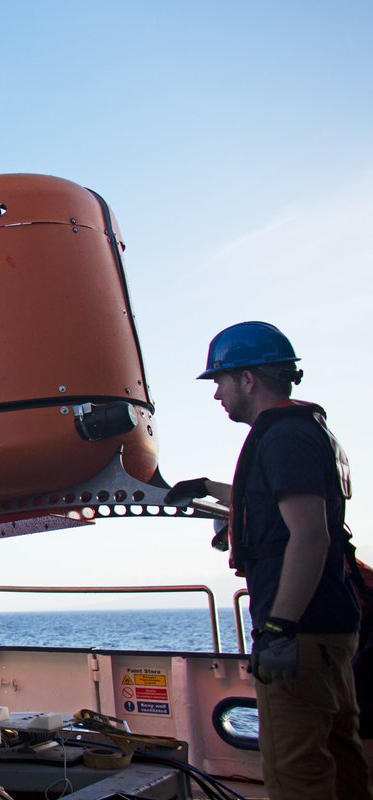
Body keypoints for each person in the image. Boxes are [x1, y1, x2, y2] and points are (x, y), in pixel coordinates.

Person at [167, 321, 370, 800]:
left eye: (220, 381)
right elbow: (281, 506)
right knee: (343, 761)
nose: (217, 394)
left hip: (301, 634)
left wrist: (279, 628)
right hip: (328, 627)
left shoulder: (283, 438)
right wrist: (209, 490)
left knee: (296, 771)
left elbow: (309, 535)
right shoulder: (304, 431)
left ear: (248, 379)